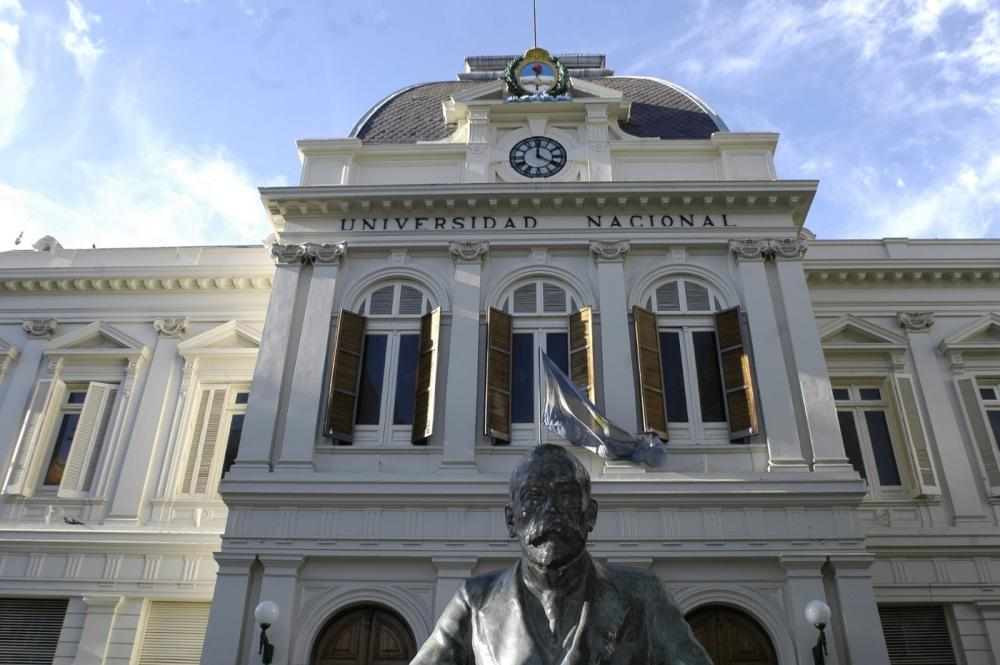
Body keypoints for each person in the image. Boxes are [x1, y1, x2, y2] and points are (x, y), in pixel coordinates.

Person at [411, 444, 712, 664]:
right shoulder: (474, 600)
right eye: (534, 497)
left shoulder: (642, 594)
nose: (551, 509)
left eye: (567, 496)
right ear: (511, 520)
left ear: (590, 515)